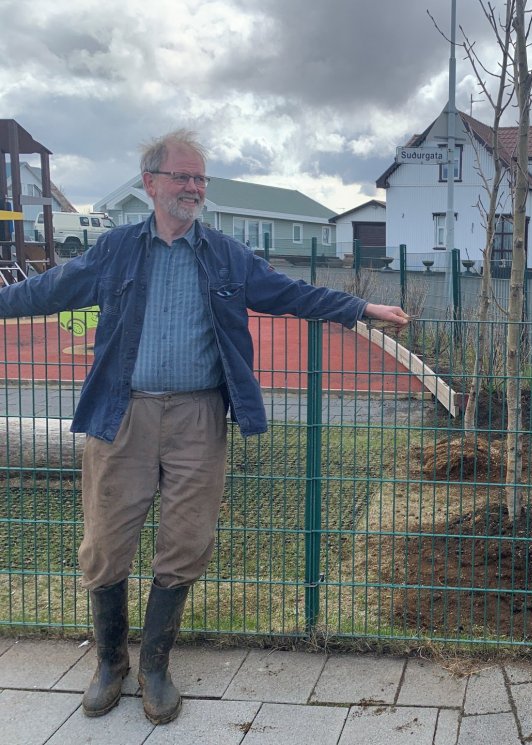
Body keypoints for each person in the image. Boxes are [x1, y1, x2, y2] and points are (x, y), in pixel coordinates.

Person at [0, 129, 410, 725]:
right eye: (182, 176)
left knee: (187, 540)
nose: (194, 187)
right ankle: (110, 662)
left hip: (198, 416)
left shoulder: (224, 254)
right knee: (106, 542)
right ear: (151, 184)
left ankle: (156, 666)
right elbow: (49, 289)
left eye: (200, 178)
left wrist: (359, 309)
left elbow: (289, 293)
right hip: (123, 415)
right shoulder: (116, 249)